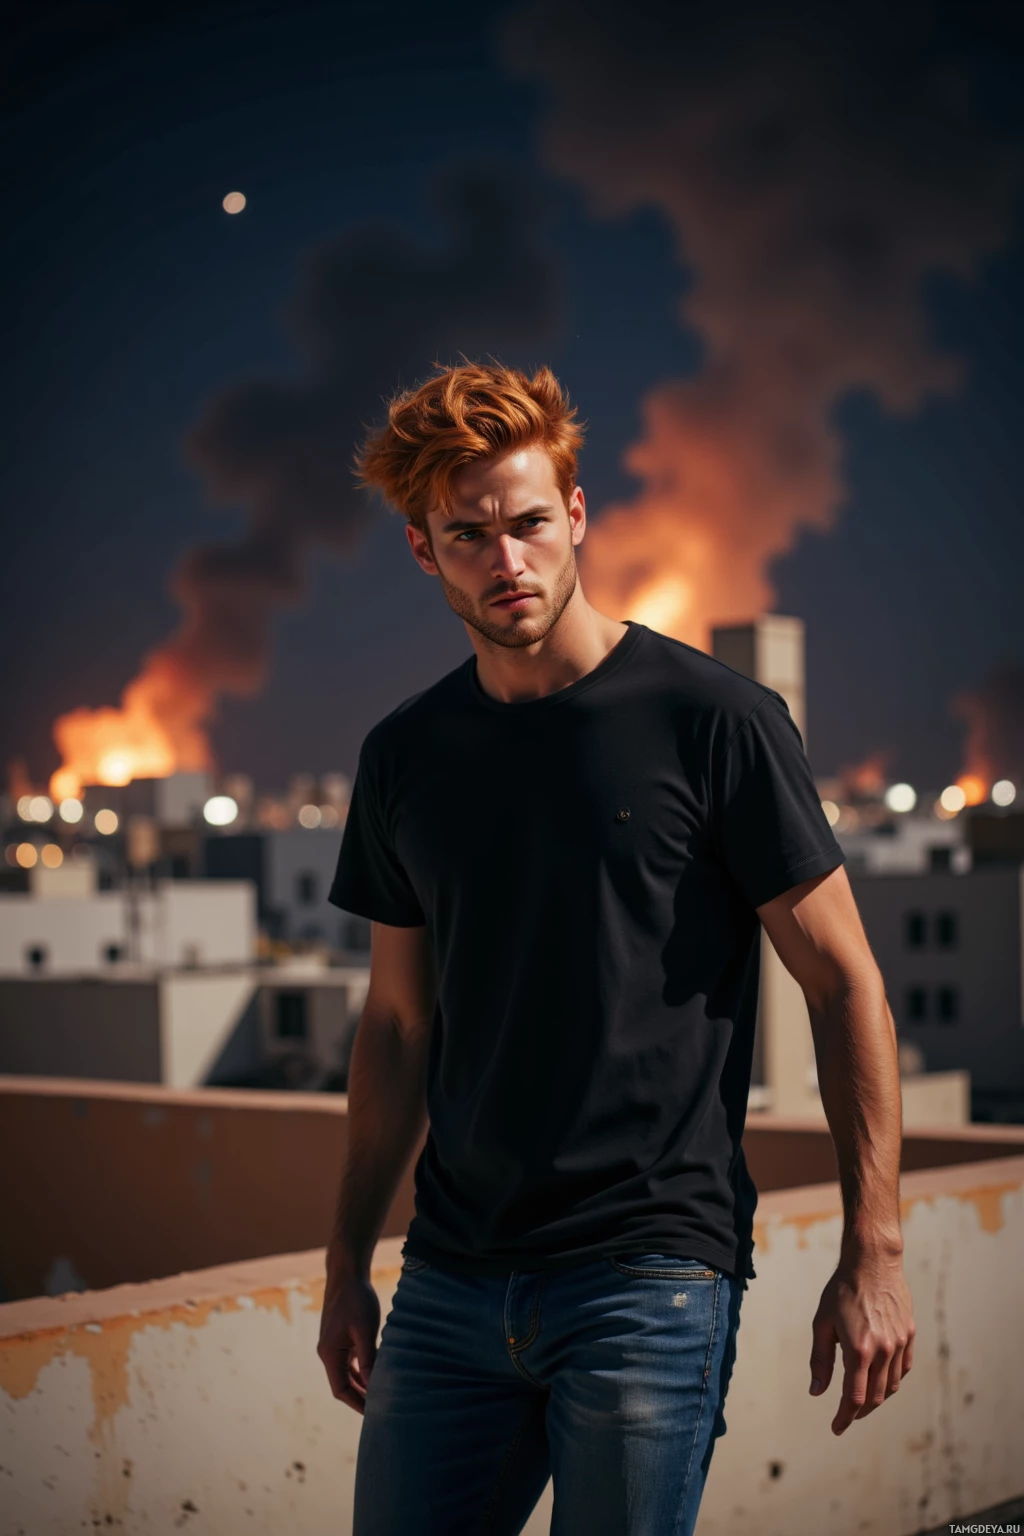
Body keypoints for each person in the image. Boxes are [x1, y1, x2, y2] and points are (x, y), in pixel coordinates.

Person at [317, 361, 915, 1536]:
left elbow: (845, 981)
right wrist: (346, 1259)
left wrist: (876, 1251)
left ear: (577, 514)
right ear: (421, 550)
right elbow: (395, 1024)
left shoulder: (716, 722)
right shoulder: (405, 755)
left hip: (647, 1277)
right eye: (470, 534)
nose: (508, 562)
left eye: (530, 523)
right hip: (448, 1277)